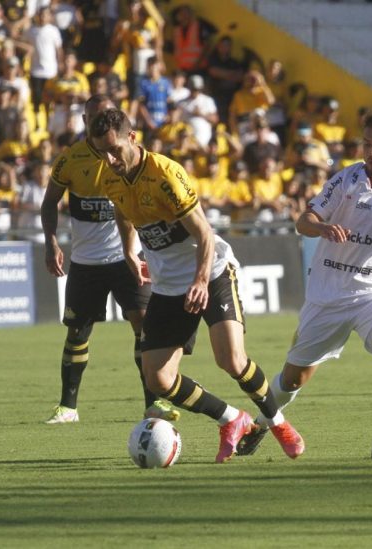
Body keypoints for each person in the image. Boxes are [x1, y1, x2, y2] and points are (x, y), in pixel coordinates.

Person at [87, 108, 305, 463]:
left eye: (114, 150)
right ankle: (231, 419)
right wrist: (129, 248)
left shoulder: (165, 175)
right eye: (102, 153)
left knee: (231, 360)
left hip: (212, 271)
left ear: (132, 138)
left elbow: (204, 233)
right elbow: (122, 210)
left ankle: (278, 423)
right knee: (157, 378)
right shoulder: (111, 177)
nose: (110, 160)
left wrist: (201, 281)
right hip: (169, 285)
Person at [236, 107, 372, 460]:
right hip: (328, 295)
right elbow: (304, 221)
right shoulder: (344, 180)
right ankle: (261, 422)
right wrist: (323, 228)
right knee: (294, 379)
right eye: (367, 144)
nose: (371, 152)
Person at [40, 94, 178, 425]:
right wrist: (50, 243)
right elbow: (49, 203)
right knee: (77, 333)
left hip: (126, 258)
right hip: (86, 262)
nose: (101, 124)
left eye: (107, 117)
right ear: (85, 120)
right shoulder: (70, 160)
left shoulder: (129, 155)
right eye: (93, 118)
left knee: (144, 326)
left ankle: (154, 402)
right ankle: (68, 407)